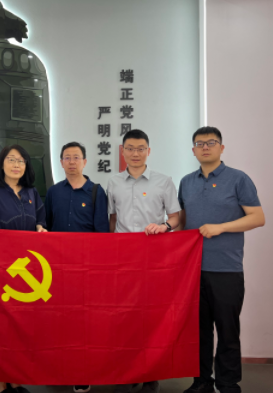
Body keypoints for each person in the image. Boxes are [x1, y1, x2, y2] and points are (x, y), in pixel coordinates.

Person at [177, 127, 264, 393]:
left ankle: (228, 384)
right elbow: (183, 221)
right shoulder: (186, 182)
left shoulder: (238, 179)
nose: (205, 147)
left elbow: (257, 217)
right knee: (199, 333)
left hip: (227, 270)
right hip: (193, 271)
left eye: (211, 142)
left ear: (221, 148)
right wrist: (163, 229)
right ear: (193, 150)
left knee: (228, 331)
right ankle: (201, 381)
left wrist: (221, 227)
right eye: (199, 143)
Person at [107, 129, 181, 393]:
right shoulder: (113, 182)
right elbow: (112, 220)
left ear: (148, 151)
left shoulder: (164, 181)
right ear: (123, 151)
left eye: (140, 149)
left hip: (154, 258)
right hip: (123, 259)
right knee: (124, 316)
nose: (135, 153)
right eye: (130, 148)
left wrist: (164, 227)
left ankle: (151, 374)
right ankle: (127, 373)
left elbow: (176, 217)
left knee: (151, 316)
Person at [0, 144, 47, 393]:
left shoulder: (32, 193)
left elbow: (41, 220)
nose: (16, 165)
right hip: (1, 273)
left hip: (29, 272)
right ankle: (0, 381)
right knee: (1, 327)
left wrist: (41, 228)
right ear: (1, 164)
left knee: (23, 327)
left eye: (21, 161)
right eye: (11, 159)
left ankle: (16, 378)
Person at [44, 141, 108, 393]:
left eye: (76, 157)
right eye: (67, 157)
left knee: (84, 320)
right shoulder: (53, 192)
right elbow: (47, 227)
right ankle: (57, 367)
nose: (72, 162)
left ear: (85, 162)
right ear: (61, 162)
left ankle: (82, 371)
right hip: (57, 266)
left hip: (86, 267)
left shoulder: (96, 192)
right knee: (57, 317)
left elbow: (102, 233)